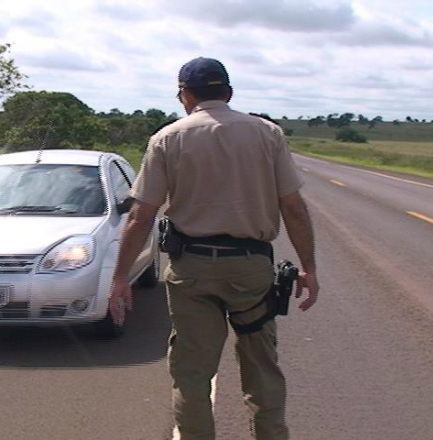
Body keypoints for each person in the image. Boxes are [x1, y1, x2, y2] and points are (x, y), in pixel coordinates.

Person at [109, 57, 319, 440]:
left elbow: (141, 217)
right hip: (251, 269)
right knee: (262, 369)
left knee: (192, 374)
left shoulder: (167, 138)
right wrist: (309, 268)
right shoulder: (268, 133)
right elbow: (293, 207)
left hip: (192, 270)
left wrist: (120, 277)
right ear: (228, 92)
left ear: (185, 94)